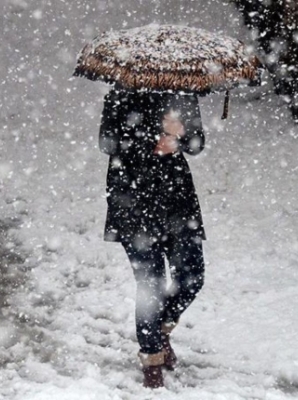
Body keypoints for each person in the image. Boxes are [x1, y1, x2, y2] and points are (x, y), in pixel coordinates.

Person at [99, 87, 206, 388]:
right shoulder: (120, 95)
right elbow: (107, 143)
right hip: (133, 201)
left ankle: (159, 330)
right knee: (151, 285)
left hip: (177, 202)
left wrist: (181, 135)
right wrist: (153, 138)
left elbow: (197, 144)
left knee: (192, 276)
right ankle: (151, 359)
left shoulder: (183, 92)